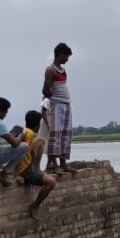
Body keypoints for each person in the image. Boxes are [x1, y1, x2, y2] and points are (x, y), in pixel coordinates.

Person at [13, 109, 58, 217]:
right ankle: (35, 206)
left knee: (41, 141)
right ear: (37, 125)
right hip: (25, 170)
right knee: (51, 182)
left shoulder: (26, 131)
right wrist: (16, 175)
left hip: (27, 166)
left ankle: (37, 169)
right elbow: (19, 154)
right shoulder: (29, 135)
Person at [42, 42, 75, 175]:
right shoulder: (50, 70)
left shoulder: (63, 70)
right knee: (55, 134)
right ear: (60, 55)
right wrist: (52, 97)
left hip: (66, 105)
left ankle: (63, 163)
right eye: (66, 56)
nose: (67, 59)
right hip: (56, 105)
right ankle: (54, 165)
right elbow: (45, 90)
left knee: (66, 134)